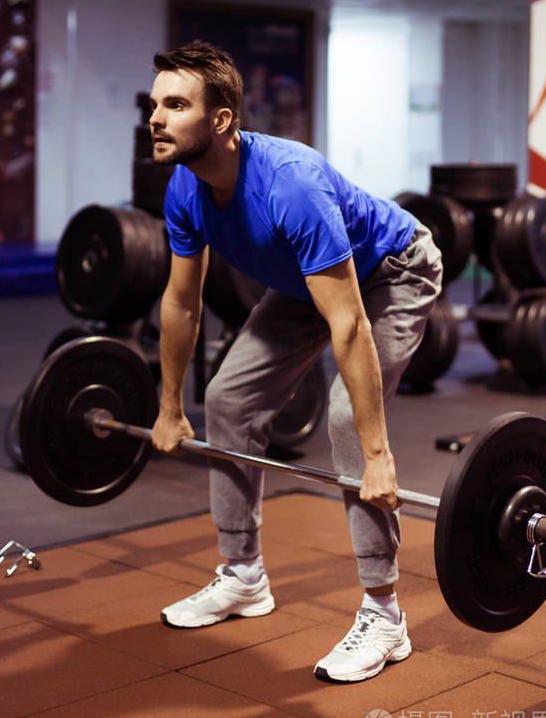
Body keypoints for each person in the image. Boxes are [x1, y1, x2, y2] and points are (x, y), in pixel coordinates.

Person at [148, 39, 443, 683]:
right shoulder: (184, 189)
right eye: (155, 105)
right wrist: (170, 407)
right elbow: (180, 303)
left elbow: (349, 321)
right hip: (306, 283)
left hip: (391, 273)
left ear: (221, 119)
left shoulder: (291, 184)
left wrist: (378, 455)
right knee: (227, 399)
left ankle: (385, 613)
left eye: (175, 105)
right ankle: (244, 577)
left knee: (347, 419)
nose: (157, 118)